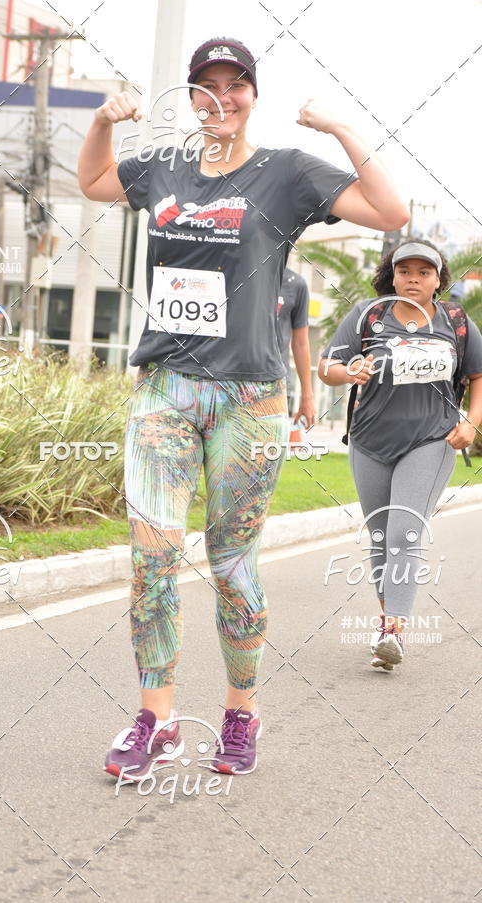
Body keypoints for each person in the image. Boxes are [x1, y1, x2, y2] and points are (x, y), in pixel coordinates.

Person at [78, 35, 409, 777]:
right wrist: (103, 121)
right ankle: (155, 718)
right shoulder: (162, 166)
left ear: (253, 95)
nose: (220, 99)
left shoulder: (286, 172)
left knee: (232, 566)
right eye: (207, 88)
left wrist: (341, 129)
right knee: (153, 560)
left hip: (249, 398)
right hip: (164, 386)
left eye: (235, 86)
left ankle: (240, 712)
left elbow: (391, 209)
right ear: (193, 97)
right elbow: (94, 181)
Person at [318, 239, 482, 671]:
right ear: (391, 275)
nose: (413, 279)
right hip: (370, 442)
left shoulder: (456, 321)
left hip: (431, 440)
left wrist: (471, 421)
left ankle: (393, 631)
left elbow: (478, 374)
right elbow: (326, 367)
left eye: (423, 272)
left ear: (437, 279)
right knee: (378, 538)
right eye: (404, 270)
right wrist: (348, 370)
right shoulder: (368, 316)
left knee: (404, 535)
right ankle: (386, 620)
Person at [275, 267, 315, 427]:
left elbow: (301, 343)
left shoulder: (296, 284)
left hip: (275, 385)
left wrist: (307, 396)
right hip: (229, 381)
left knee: (268, 450)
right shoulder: (237, 271)